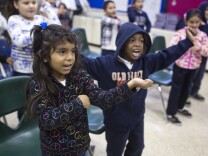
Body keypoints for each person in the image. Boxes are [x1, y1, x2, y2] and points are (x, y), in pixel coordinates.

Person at [25, 23, 153, 156]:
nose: (70, 57)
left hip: (82, 149)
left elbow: (102, 99)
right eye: (62, 51)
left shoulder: (79, 75)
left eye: (73, 51)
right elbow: (47, 120)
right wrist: (78, 104)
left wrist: (130, 85)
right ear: (44, 56)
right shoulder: (38, 83)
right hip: (54, 152)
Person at [82, 22, 196, 156]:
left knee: (138, 147)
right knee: (115, 152)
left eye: (141, 41)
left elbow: (166, 55)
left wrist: (187, 42)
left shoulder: (146, 62)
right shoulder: (105, 64)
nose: (138, 44)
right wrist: (64, 49)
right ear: (122, 42)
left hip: (137, 118)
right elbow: (84, 62)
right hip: (115, 120)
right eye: (132, 40)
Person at [5, 0, 60, 120]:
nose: (31, 6)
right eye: (26, 3)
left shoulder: (40, 20)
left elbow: (57, 28)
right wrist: (39, 30)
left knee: (41, 100)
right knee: (24, 102)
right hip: (21, 70)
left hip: (40, 68)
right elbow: (19, 41)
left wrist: (48, 8)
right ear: (16, 4)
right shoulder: (14, 20)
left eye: (34, 2)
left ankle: (39, 127)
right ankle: (24, 128)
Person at [166, 9, 208, 125]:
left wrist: (197, 46)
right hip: (180, 66)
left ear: (200, 22)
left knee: (187, 88)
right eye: (191, 22)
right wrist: (186, 45)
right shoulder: (180, 33)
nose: (194, 25)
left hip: (194, 67)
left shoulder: (203, 36)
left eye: (197, 22)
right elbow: (172, 47)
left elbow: (206, 51)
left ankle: (180, 107)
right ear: (186, 21)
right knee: (176, 89)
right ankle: (170, 113)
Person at [189, 1, 208, 101]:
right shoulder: (199, 24)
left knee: (200, 75)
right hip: (194, 55)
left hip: (204, 54)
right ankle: (186, 93)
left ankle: (194, 91)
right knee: (192, 75)